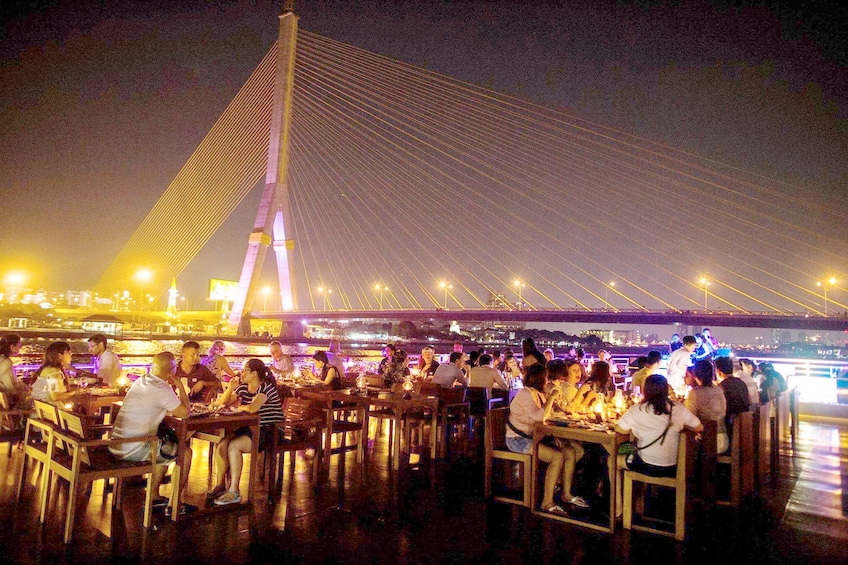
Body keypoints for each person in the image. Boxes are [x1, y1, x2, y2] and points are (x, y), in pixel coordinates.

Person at [109, 351, 193, 515]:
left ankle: (154, 497)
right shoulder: (161, 388)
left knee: (164, 446)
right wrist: (180, 386)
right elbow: (185, 413)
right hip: (133, 449)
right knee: (186, 452)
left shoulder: (141, 380)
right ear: (172, 370)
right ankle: (175, 504)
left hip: (117, 444)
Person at [505, 364, 588, 515]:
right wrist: (551, 398)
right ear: (539, 379)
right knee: (557, 456)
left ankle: (566, 494)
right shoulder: (526, 394)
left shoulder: (537, 394)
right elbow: (540, 417)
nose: (548, 381)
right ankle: (547, 502)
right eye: (546, 378)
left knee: (570, 451)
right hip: (518, 440)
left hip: (533, 436)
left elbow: (546, 417)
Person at [208, 358, 284, 505]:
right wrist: (230, 388)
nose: (241, 373)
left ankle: (234, 492)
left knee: (234, 446)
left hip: (270, 430)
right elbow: (222, 404)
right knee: (222, 445)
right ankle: (220, 484)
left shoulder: (265, 387)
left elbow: (253, 408)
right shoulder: (243, 387)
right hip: (250, 428)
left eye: (244, 370)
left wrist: (240, 407)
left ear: (254, 373)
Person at [615, 374, 703, 478]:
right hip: (673, 466)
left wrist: (635, 429)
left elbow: (619, 428)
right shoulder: (678, 407)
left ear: (645, 390)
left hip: (646, 465)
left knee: (613, 460)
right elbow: (699, 427)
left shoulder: (637, 409)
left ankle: (623, 493)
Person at [685, 359, 729, 454]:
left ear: (695, 374)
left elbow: (688, 419)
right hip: (724, 440)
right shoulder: (718, 389)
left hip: (708, 442)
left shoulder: (695, 393)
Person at [716, 356, 750, 427]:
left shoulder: (722, 386)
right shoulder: (741, 383)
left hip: (729, 424)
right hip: (744, 421)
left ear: (719, 372)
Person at [0, 334, 29, 407]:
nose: (20, 348)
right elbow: (11, 388)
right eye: (19, 345)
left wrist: (24, 387)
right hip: (7, 403)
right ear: (12, 347)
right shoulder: (6, 362)